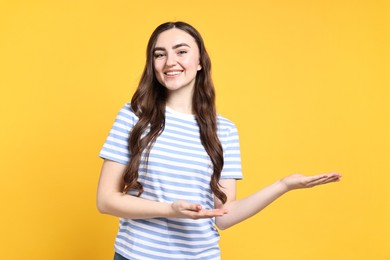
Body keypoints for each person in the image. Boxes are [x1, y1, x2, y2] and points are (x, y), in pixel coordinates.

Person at [97, 21, 341, 260]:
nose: (170, 61)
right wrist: (170, 209)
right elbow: (106, 200)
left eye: (181, 51)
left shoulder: (223, 130)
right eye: (159, 54)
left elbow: (223, 216)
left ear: (200, 61)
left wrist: (283, 185)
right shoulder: (134, 116)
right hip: (136, 255)